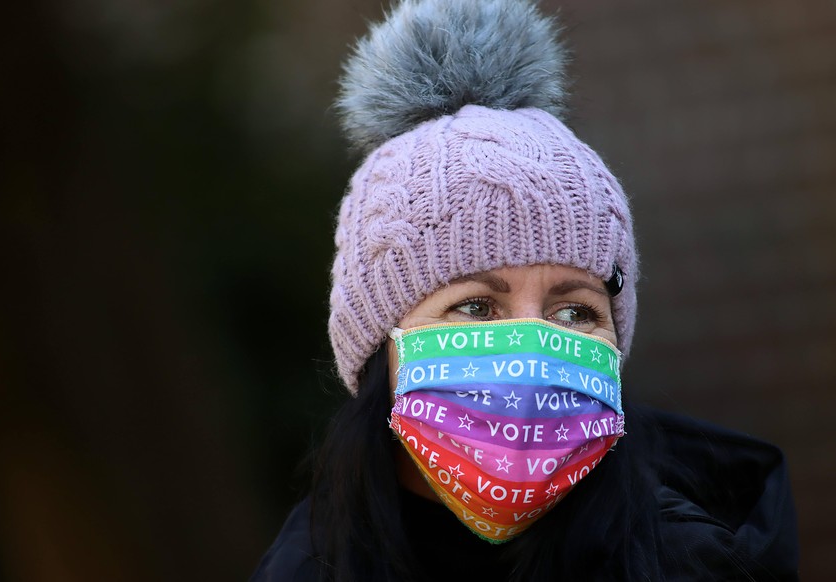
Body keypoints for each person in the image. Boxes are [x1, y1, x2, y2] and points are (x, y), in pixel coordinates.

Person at [252, 0, 799, 580]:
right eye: (475, 306)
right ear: (376, 350)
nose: (533, 345)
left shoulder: (697, 563)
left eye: (575, 313)